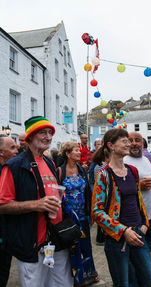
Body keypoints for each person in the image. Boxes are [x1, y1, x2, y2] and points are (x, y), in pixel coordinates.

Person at [0, 116, 73, 287]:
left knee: (64, 284)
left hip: (57, 239)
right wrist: (36, 204)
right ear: (30, 136)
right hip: (32, 243)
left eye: (50, 133)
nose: (48, 137)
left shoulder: (49, 161)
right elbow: (2, 205)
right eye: (42, 133)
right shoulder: (14, 166)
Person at [91, 129, 151, 287]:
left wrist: (144, 224)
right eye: (124, 141)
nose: (129, 144)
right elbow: (97, 211)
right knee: (125, 283)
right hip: (117, 239)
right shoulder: (103, 175)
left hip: (138, 233)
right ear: (111, 145)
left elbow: (138, 201)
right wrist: (123, 231)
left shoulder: (132, 171)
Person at [57, 141, 99, 286]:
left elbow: (87, 191)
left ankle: (90, 273)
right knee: (73, 247)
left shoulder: (81, 169)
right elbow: (58, 194)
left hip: (83, 215)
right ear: (67, 154)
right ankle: (76, 277)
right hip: (69, 217)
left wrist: (91, 210)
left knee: (86, 244)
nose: (79, 152)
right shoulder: (60, 171)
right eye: (76, 150)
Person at [124, 132, 151, 252]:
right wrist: (138, 186)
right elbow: (119, 189)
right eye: (130, 140)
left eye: (137, 140)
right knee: (140, 256)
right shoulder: (124, 161)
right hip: (137, 218)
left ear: (143, 143)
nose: (134, 143)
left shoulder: (145, 159)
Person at [0, 135, 18, 287]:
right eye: (12, 147)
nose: (16, 150)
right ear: (1, 152)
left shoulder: (12, 169)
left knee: (4, 269)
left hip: (8, 234)